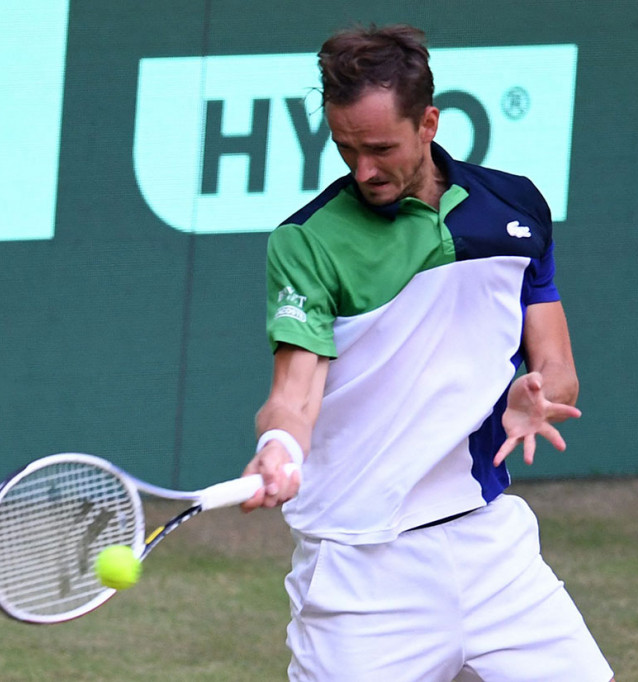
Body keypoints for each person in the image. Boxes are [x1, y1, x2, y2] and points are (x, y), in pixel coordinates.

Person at [240, 24, 614, 682]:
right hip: (360, 569)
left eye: (380, 148)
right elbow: (295, 393)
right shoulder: (306, 242)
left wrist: (540, 396)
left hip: (488, 540)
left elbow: (555, 368)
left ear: (430, 122)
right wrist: (281, 447)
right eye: (346, 148)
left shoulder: (514, 210)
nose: (363, 171)